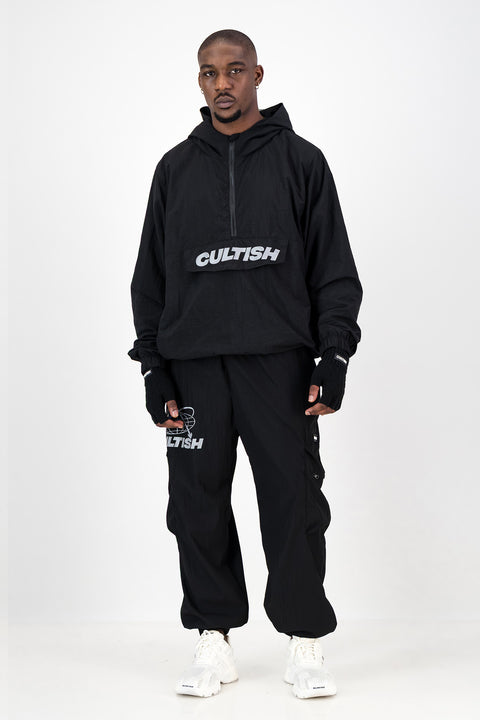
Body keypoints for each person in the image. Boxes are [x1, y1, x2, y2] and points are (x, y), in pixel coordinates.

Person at [127, 28, 363, 699]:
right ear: (199, 81)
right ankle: (213, 639)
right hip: (193, 365)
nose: (222, 83)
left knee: (293, 500)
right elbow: (150, 277)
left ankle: (305, 641)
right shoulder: (174, 169)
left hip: (278, 362)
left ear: (257, 74)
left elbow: (333, 268)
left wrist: (333, 354)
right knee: (195, 503)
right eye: (209, 73)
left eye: (234, 70)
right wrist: (153, 367)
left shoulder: (301, 161)